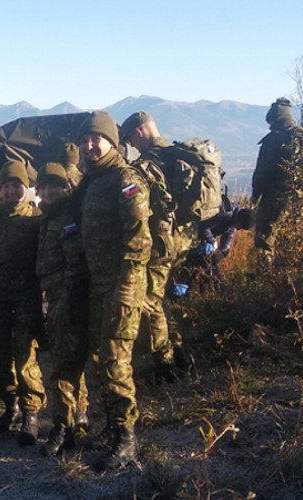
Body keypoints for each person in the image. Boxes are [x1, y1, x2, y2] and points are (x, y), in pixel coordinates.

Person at [73, 111, 151, 470]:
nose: (90, 145)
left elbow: (139, 239)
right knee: (97, 358)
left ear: (112, 141)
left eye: (97, 139)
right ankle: (109, 425)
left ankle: (127, 437)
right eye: (86, 140)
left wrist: (127, 284)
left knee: (116, 361)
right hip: (96, 283)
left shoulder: (125, 178)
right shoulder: (93, 180)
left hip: (122, 286)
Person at [0, 160, 46, 446]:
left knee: (25, 356)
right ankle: (11, 407)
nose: (10, 191)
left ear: (25, 187)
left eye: (16, 186)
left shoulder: (37, 218)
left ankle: (31, 415)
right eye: (6, 186)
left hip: (25, 297)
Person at [120, 111, 187, 379]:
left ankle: (166, 363)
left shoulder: (148, 163)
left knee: (150, 301)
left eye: (130, 140)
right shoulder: (177, 152)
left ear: (138, 132)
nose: (132, 146)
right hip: (181, 239)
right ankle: (180, 352)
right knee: (163, 298)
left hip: (158, 244)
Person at [34, 162, 91, 456]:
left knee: (61, 366)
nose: (47, 191)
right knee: (65, 363)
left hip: (65, 299)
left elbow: (75, 263)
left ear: (65, 187)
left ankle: (62, 427)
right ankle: (71, 421)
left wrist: (66, 301)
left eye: (53, 186)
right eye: (42, 187)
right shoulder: (49, 217)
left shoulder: (66, 218)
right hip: (56, 296)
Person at [251, 97, 299, 262]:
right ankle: (287, 278)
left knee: (265, 239)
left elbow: (263, 172)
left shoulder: (274, 139)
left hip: (276, 198)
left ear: (275, 119)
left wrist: (255, 194)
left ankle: (263, 280)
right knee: (293, 241)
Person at [178, 202, 255, 292]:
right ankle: (182, 284)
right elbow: (203, 225)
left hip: (200, 238)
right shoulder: (225, 214)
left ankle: (213, 287)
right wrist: (212, 241)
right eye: (240, 226)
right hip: (190, 234)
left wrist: (222, 253)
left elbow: (228, 235)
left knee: (210, 263)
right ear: (239, 220)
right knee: (200, 257)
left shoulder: (232, 217)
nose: (238, 229)